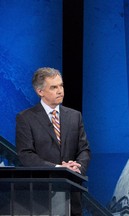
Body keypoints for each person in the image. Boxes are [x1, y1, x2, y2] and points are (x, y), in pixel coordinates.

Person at [16, 67, 91, 216]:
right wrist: (58, 169)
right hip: (41, 197)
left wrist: (77, 168)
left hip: (71, 195)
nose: (60, 91)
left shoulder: (75, 116)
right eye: (54, 87)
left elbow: (84, 149)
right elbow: (26, 155)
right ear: (40, 92)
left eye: (61, 85)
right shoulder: (26, 118)